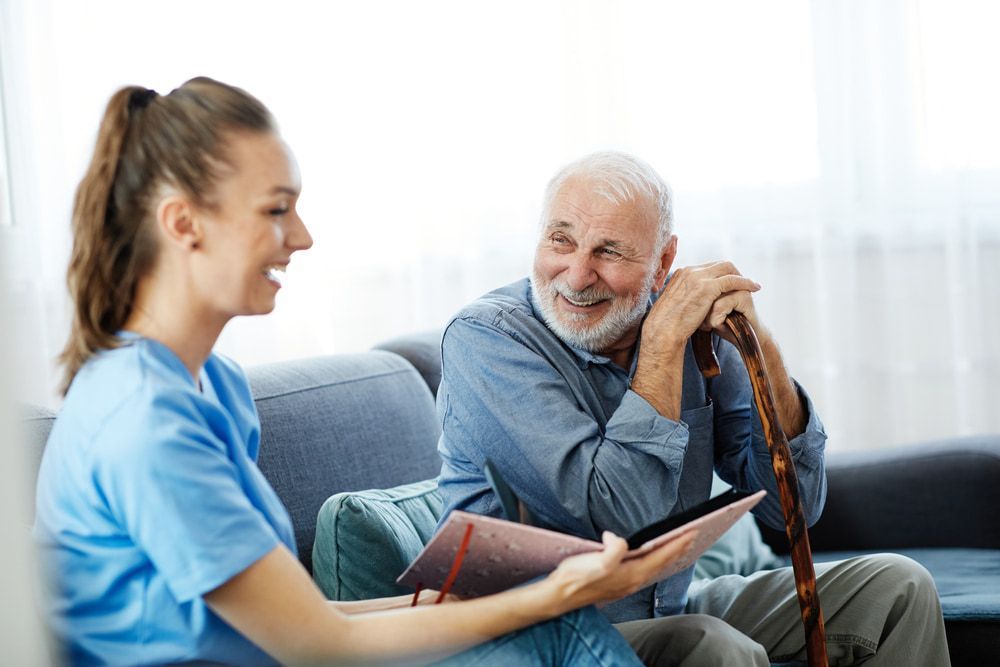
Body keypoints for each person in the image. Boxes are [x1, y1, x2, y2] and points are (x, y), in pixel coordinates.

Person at [33, 80, 696, 667]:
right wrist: (562, 589)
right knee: (558, 629)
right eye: (275, 208)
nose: (302, 235)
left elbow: (298, 622)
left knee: (557, 622)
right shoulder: (145, 420)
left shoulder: (215, 387)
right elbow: (318, 646)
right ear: (184, 224)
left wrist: (424, 611)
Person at [435, 151, 952, 665]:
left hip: (668, 608)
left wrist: (759, 343)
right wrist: (660, 346)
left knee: (896, 588)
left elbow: (792, 507)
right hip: (541, 638)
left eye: (609, 251)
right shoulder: (488, 341)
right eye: (561, 240)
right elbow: (618, 518)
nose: (576, 274)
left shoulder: (691, 333)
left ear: (662, 262)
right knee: (710, 644)